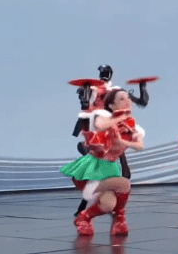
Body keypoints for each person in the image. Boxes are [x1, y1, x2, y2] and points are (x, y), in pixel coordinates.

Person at [60, 89, 144, 235]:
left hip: (109, 169)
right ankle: (120, 219)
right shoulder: (102, 116)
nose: (127, 101)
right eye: (122, 99)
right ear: (111, 105)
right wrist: (120, 118)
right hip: (92, 168)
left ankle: (83, 218)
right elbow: (100, 125)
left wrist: (123, 141)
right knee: (124, 184)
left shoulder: (132, 127)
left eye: (128, 98)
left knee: (108, 204)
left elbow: (139, 145)